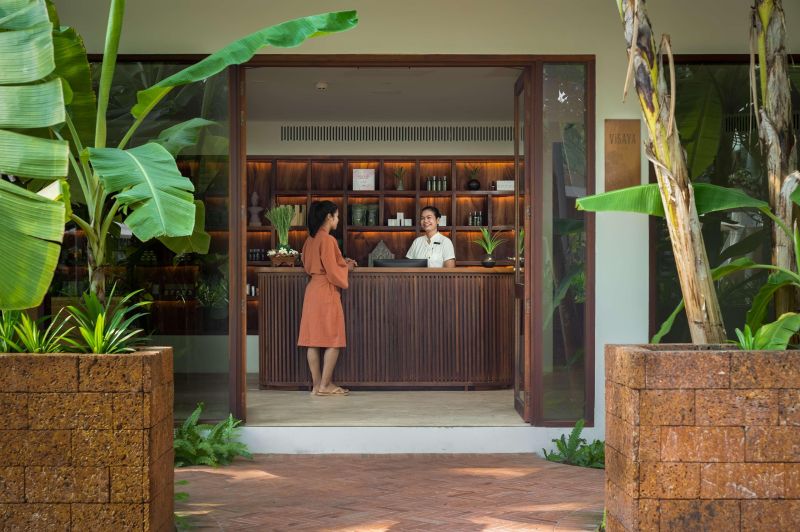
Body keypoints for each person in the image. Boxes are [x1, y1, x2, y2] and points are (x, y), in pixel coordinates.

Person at [297, 201, 356, 396]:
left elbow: (309, 265)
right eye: (336, 216)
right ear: (328, 217)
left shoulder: (310, 240)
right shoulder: (328, 240)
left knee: (312, 340)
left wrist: (340, 264)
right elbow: (333, 271)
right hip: (326, 291)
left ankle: (316, 386)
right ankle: (326, 385)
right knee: (334, 339)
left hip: (312, 290)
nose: (338, 220)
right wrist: (347, 267)